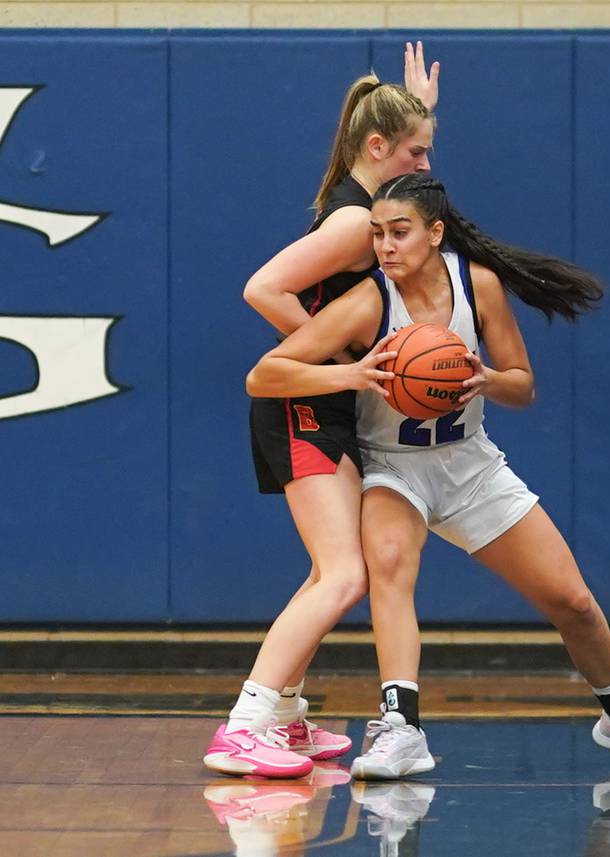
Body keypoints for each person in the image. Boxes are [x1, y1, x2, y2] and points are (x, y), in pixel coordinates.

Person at [245, 173, 610, 779]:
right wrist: (349, 376)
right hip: (391, 467)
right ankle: (401, 727)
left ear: (434, 233)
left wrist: (487, 379)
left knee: (574, 602)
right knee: (391, 564)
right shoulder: (368, 301)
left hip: (471, 465)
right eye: (376, 234)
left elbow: (523, 383)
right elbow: (266, 375)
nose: (385, 247)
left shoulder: (476, 285)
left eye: (399, 233)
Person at [203, 45, 441, 779]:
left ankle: (284, 714)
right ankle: (246, 722)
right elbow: (261, 287)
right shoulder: (350, 223)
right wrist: (335, 364)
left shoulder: (363, 198)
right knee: (343, 574)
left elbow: (396, 142)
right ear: (378, 148)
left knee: (332, 569)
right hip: (302, 403)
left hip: (318, 403)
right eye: (416, 150)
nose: (425, 165)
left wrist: (421, 108)